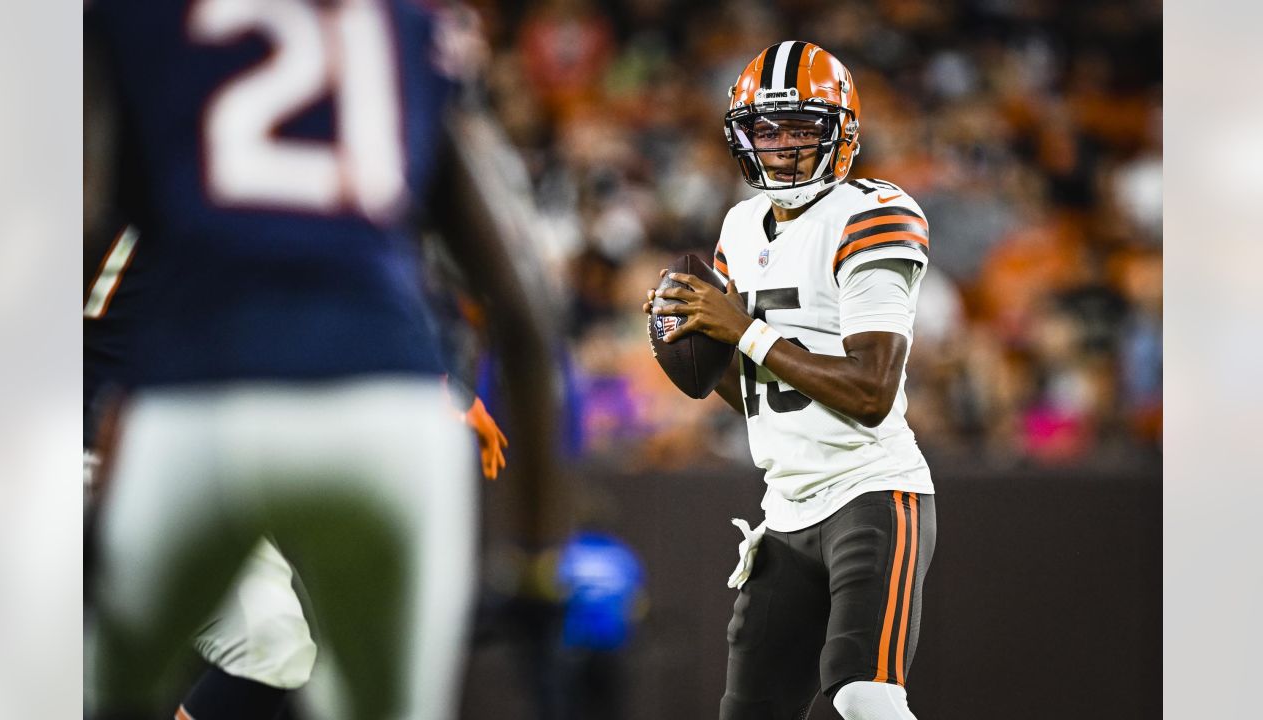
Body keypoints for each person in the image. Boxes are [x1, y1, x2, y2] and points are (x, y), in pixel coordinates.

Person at [83, 1, 564, 718]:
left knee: (159, 671)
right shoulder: (402, 29)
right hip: (379, 412)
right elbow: (522, 310)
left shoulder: (140, 34)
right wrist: (535, 569)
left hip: (187, 405)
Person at [644, 41, 937, 720]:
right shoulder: (741, 225)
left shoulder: (870, 213)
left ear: (841, 133)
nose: (782, 146)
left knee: (865, 700)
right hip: (784, 511)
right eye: (765, 130)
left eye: (802, 128)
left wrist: (740, 330)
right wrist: (694, 343)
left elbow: (871, 393)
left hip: (870, 492)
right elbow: (754, 393)